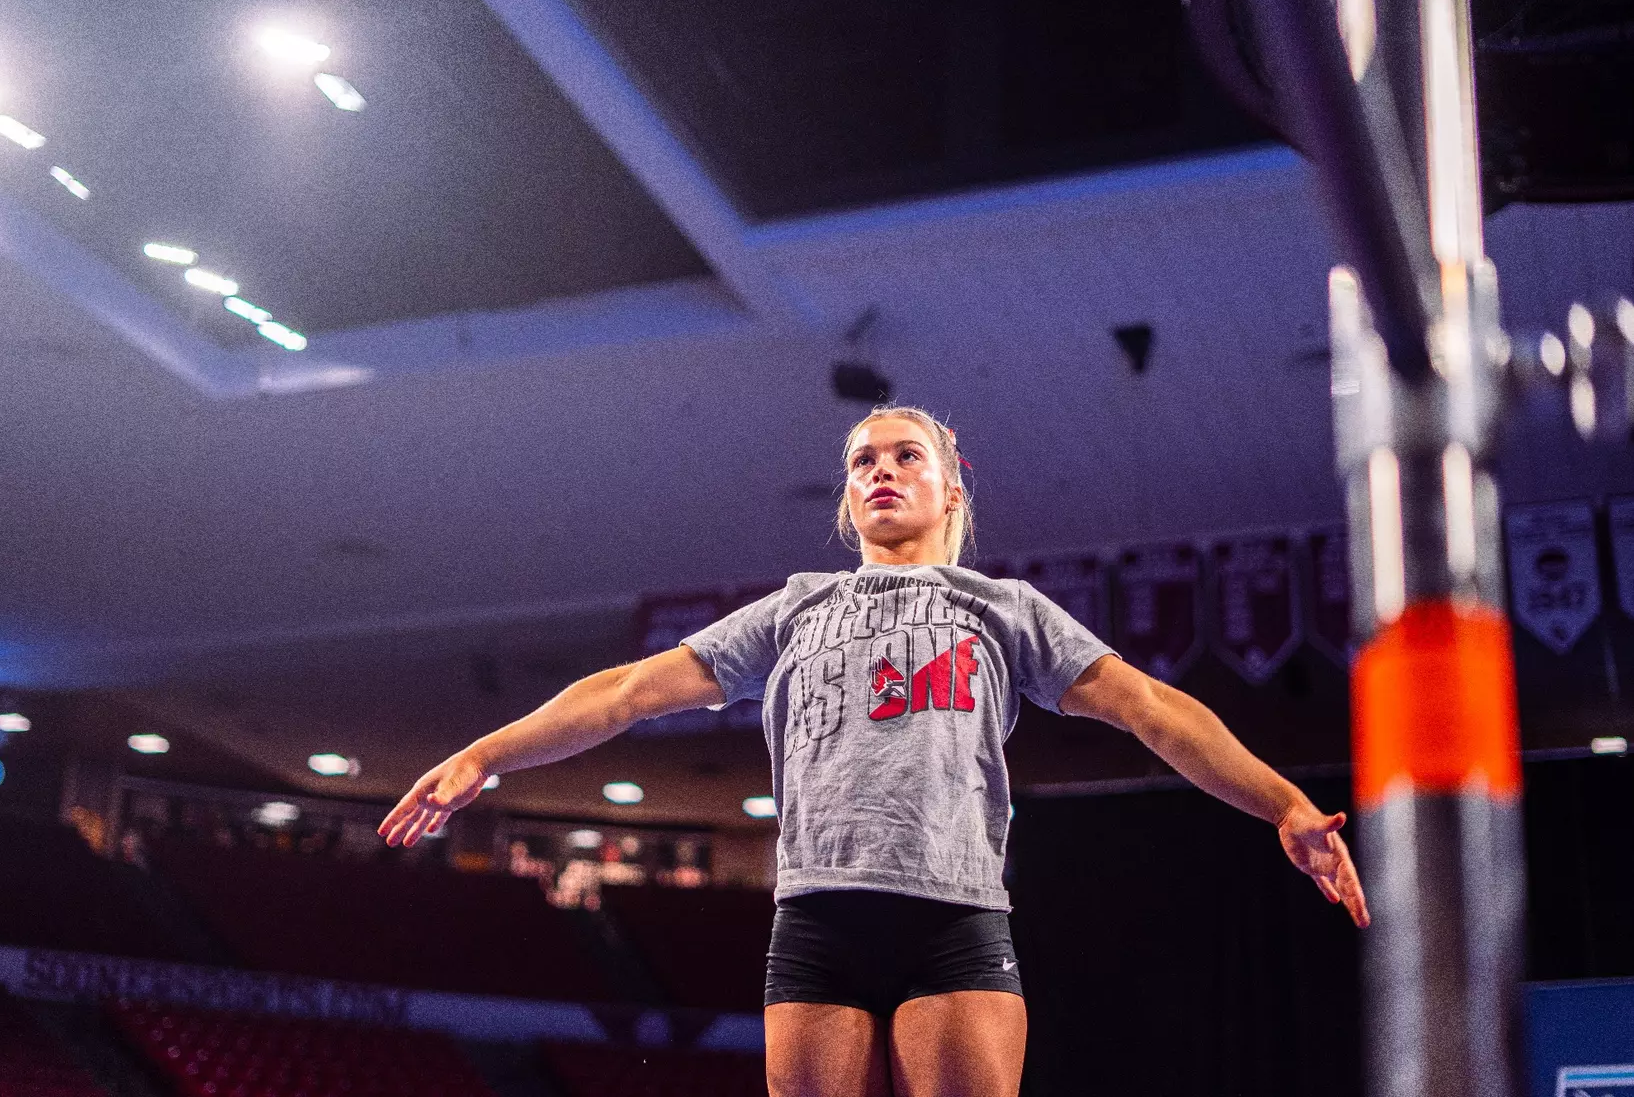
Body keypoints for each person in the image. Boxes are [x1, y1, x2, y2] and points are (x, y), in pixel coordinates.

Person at [379, 405, 1370, 1097]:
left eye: (903, 456)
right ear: (849, 498)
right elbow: (630, 692)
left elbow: (1151, 708)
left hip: (956, 915)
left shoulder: (1003, 608)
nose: (881, 471)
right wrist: (487, 753)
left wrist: (1283, 801)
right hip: (817, 920)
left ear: (947, 487)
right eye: (863, 462)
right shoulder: (798, 605)